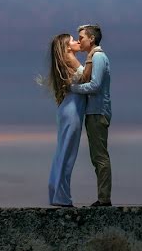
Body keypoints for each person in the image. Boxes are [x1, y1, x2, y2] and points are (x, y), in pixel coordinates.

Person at [70, 23, 112, 206]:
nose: (79, 41)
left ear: (92, 38)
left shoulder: (99, 57)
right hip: (94, 112)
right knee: (97, 157)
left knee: (100, 157)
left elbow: (95, 86)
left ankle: (104, 200)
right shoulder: (92, 57)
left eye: (81, 38)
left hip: (98, 112)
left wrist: (72, 88)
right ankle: (103, 198)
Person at [43, 33, 88, 207]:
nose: (77, 41)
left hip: (67, 108)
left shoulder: (65, 59)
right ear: (68, 47)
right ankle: (62, 197)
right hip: (72, 110)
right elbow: (88, 79)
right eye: (73, 40)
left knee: (62, 152)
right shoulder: (71, 58)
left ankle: (55, 193)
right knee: (68, 154)